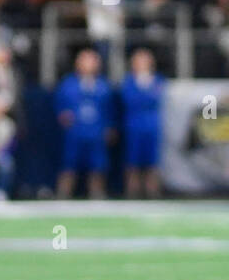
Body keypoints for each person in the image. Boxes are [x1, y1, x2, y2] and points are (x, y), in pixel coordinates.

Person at [55, 47, 113, 198]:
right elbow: (60, 106)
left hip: (96, 132)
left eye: (92, 60)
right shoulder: (68, 84)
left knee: (98, 166)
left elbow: (109, 109)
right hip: (75, 132)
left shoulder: (103, 85)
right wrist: (63, 117)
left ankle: (97, 195)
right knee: (69, 165)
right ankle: (63, 196)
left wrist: (109, 128)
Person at [121, 47, 164, 198]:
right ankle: (132, 192)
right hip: (134, 126)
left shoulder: (158, 80)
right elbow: (130, 100)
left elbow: (157, 99)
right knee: (133, 161)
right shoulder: (129, 81)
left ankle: (153, 192)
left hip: (152, 126)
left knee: (152, 162)